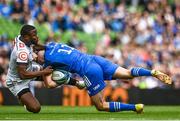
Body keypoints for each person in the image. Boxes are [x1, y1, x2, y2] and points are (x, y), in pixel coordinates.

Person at [37, 42, 172, 113]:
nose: (36, 61)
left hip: (89, 70)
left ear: (38, 54)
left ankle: (135, 107)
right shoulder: (52, 45)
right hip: (95, 59)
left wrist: (65, 80)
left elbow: (49, 84)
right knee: (127, 73)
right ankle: (152, 72)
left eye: (36, 58)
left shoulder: (48, 61)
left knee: (101, 105)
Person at [5, 25, 54, 113]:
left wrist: (48, 48)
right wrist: (43, 71)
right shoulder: (22, 52)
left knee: (54, 75)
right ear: (26, 37)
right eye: (34, 35)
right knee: (35, 108)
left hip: (29, 68)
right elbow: (23, 75)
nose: (37, 37)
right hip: (17, 80)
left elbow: (34, 45)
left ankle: (78, 83)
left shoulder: (20, 38)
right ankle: (23, 100)